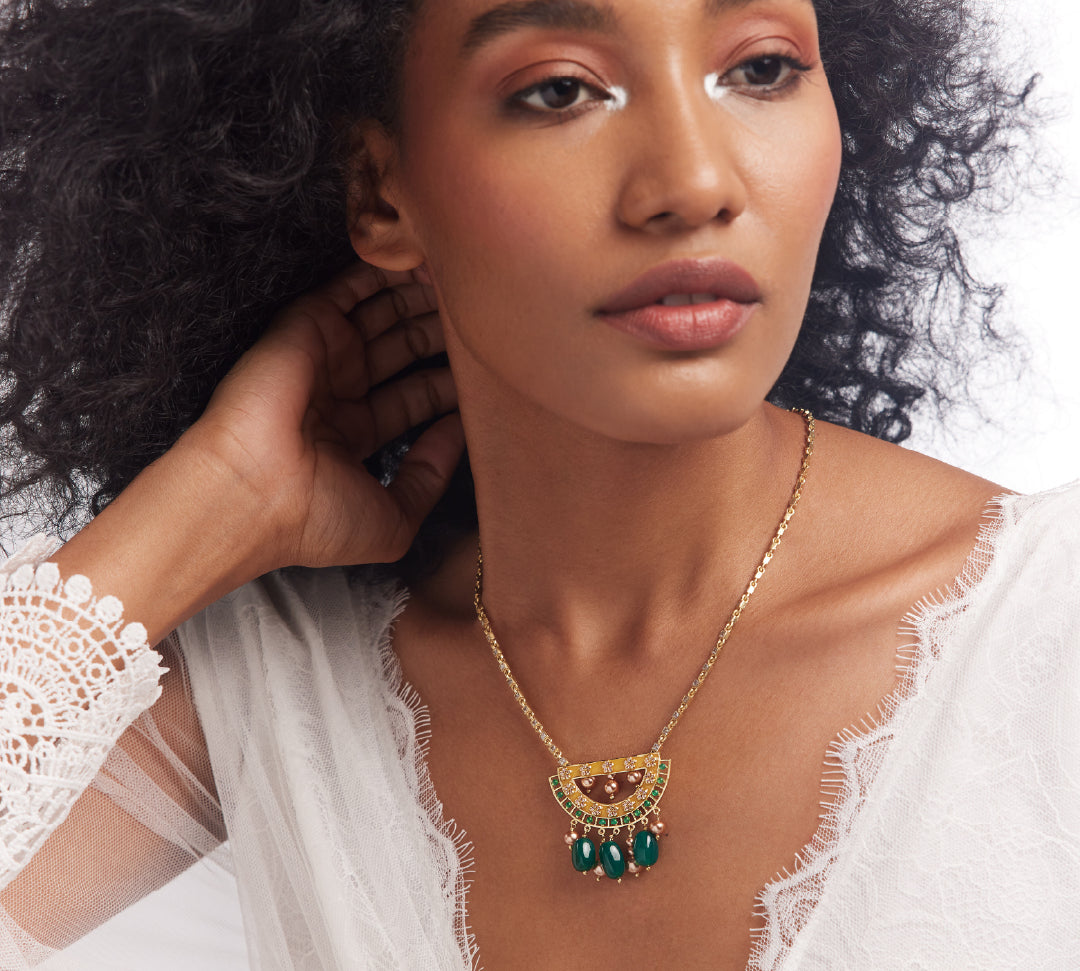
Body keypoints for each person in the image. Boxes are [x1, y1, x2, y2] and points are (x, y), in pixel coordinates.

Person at [0, 0, 1076, 968]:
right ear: (380, 194)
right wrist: (209, 499)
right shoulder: (274, 672)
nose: (695, 182)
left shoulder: (1046, 633)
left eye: (758, 69)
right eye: (561, 89)